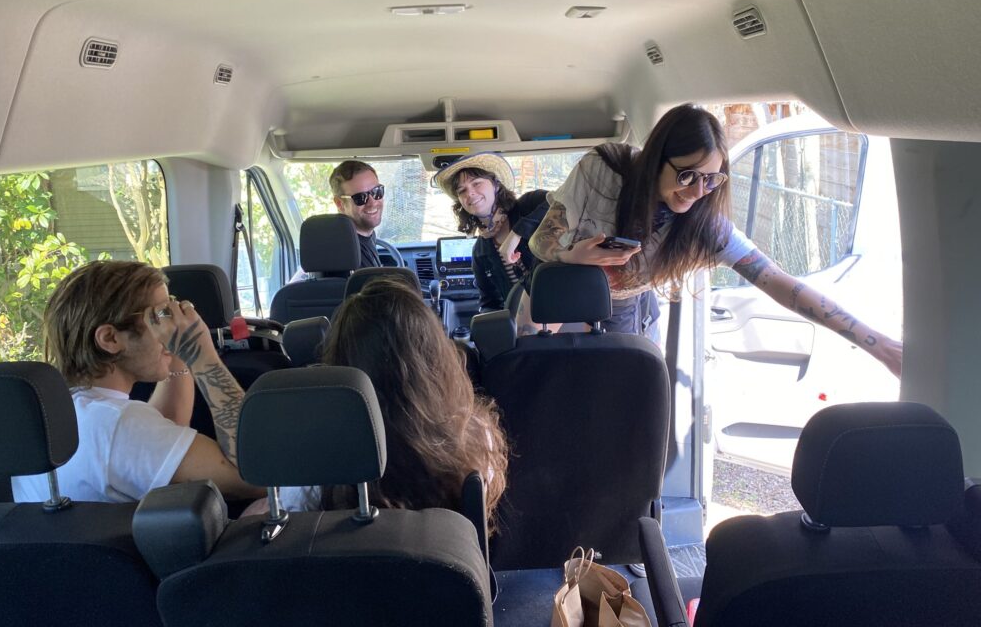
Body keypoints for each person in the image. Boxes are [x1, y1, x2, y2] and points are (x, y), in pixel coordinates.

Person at [529, 103, 903, 377]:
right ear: (657, 159)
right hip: (559, 282)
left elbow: (781, 284)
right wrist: (571, 256)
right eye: (687, 175)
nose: (697, 192)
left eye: (712, 179)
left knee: (634, 388)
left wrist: (878, 345)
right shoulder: (605, 169)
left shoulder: (705, 226)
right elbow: (541, 242)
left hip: (626, 306)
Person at [12, 260, 263, 503]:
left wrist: (176, 349)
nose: (168, 324)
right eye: (159, 316)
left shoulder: (61, 415)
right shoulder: (118, 425)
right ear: (110, 338)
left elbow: (167, 430)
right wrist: (203, 356)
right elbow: (259, 477)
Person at [273, 277, 509, 532]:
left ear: (340, 364)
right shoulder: (476, 436)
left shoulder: (311, 460)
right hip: (445, 569)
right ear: (435, 357)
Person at [432, 152, 548, 313]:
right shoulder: (480, 252)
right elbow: (490, 303)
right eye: (461, 191)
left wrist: (516, 234)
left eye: (476, 183)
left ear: (496, 184)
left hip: (566, 306)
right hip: (522, 324)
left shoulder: (529, 205)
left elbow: (562, 203)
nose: (469, 193)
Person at [330, 159, 386, 269]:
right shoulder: (344, 253)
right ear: (340, 204)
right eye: (360, 197)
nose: (373, 202)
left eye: (377, 191)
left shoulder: (363, 237)